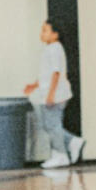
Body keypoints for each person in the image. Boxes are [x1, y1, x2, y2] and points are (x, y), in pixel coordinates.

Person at [23, 20, 85, 169]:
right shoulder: (49, 49)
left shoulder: (55, 49)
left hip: (56, 94)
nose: (42, 33)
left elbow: (56, 73)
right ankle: (72, 142)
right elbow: (46, 74)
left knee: (53, 126)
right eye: (42, 30)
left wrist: (51, 94)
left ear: (55, 34)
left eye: (45, 30)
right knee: (48, 125)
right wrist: (35, 85)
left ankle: (61, 155)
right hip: (49, 93)